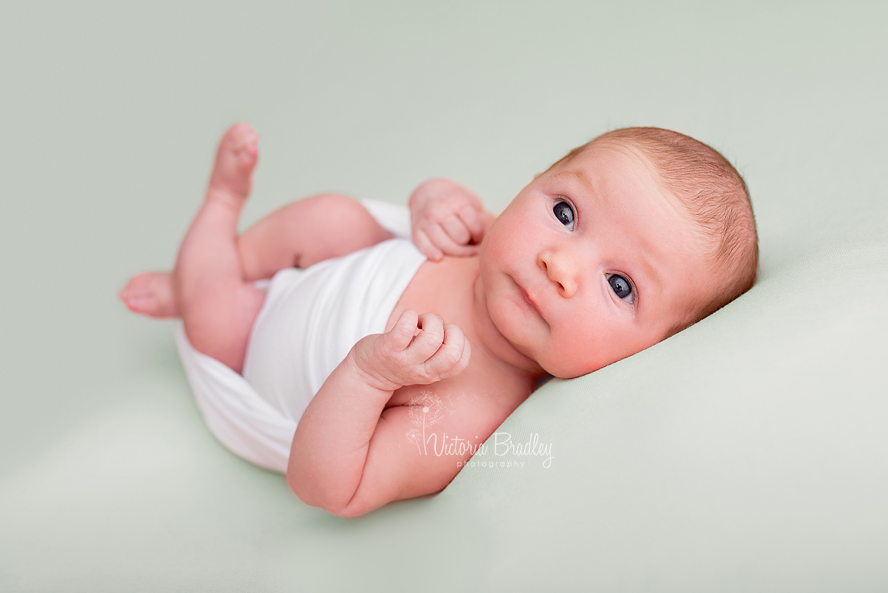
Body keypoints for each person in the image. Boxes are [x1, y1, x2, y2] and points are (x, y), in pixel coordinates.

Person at [120, 123, 758, 517]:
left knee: (217, 312)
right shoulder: (482, 243)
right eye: (565, 212)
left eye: (620, 285)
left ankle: (214, 220)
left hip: (257, 349)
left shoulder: (468, 412)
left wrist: (370, 375)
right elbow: (426, 207)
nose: (559, 264)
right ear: (532, 182)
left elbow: (328, 489)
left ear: (648, 353)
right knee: (332, 218)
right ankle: (223, 259)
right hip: (330, 268)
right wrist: (435, 200)